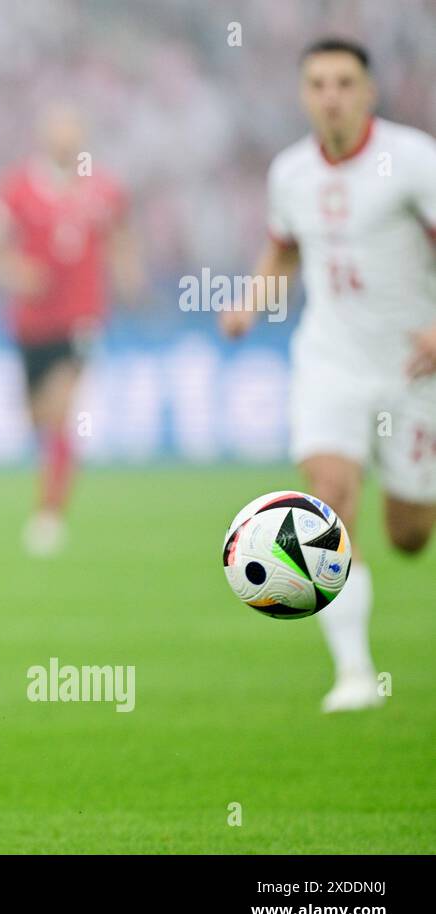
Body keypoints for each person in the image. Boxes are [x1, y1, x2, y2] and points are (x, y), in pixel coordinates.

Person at [221, 38, 436, 712]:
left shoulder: (413, 160)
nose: (331, 95)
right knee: (330, 497)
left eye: (344, 82)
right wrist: (251, 303)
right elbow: (284, 248)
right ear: (304, 94)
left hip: (412, 367)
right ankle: (354, 672)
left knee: (408, 532)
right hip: (330, 362)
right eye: (318, 83)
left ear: (368, 91)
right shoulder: (290, 172)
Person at [0, 104, 142, 557]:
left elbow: (122, 238)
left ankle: (49, 515)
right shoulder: (15, 188)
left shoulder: (104, 189)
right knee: (35, 418)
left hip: (81, 319)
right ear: (44, 136)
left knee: (61, 410)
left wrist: (131, 280)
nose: (65, 138)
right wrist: (14, 272)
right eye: (57, 130)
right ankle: (50, 483)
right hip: (30, 324)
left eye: (72, 130)